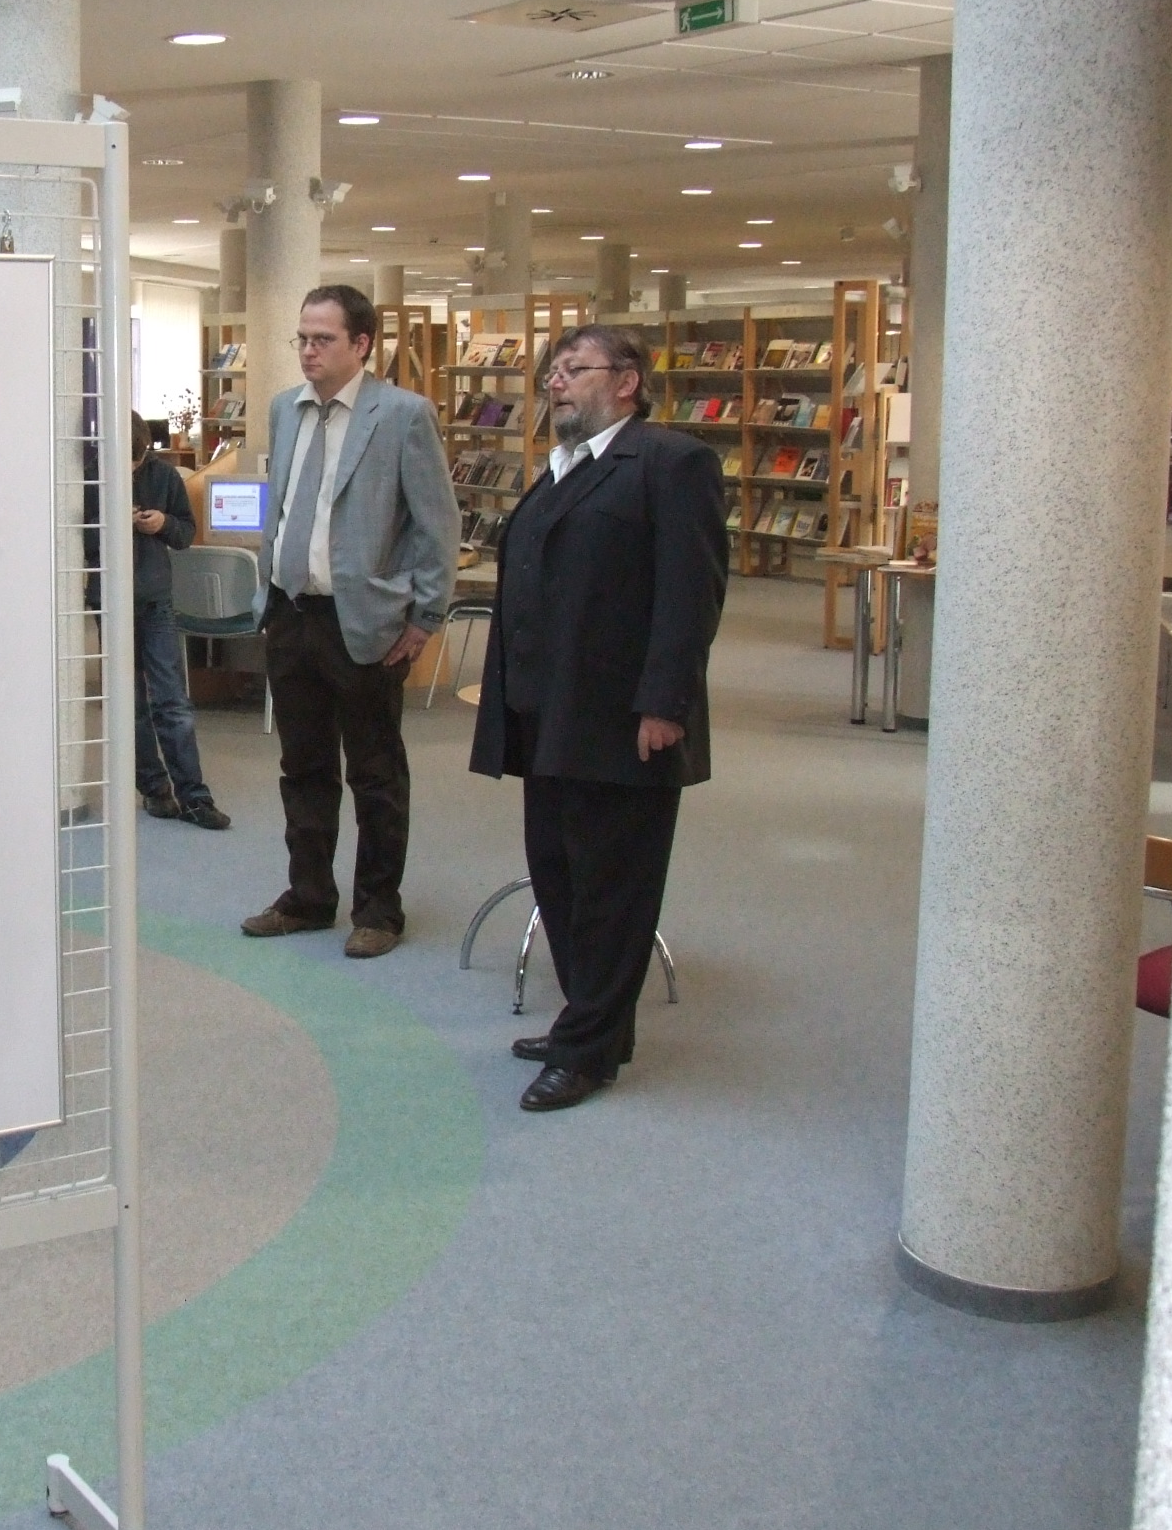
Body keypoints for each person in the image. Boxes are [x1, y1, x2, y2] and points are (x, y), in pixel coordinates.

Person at [470, 325, 727, 1110]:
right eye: (552, 370)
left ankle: (587, 1052)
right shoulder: (560, 466)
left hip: (623, 718)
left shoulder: (671, 463)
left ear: (626, 381)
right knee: (560, 874)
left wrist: (664, 703)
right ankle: (593, 1024)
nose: (554, 382)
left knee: (613, 887)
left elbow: (690, 593)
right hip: (546, 712)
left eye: (573, 369)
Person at [239, 284, 457, 958]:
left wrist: (426, 614)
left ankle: (379, 910)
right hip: (292, 614)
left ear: (361, 344)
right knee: (302, 767)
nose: (308, 351)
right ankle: (308, 897)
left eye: (323, 339)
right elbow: (283, 508)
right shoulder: (285, 409)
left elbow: (436, 523)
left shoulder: (403, 415)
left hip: (364, 621)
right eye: (303, 338)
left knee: (375, 771)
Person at [130, 413, 229, 830]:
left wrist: (163, 524)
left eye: (137, 461)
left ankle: (194, 797)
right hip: (110, 602)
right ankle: (155, 790)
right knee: (131, 704)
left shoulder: (165, 476)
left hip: (156, 600)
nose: (132, 468)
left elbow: (186, 533)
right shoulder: (89, 475)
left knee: (172, 700)